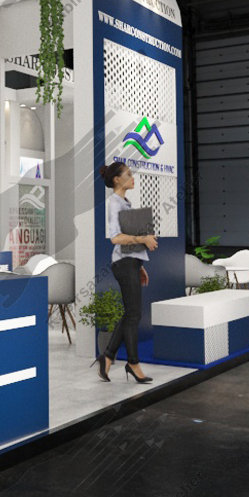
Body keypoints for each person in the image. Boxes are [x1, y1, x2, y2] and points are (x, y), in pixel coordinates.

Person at [96, 163, 155, 384]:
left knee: (131, 314)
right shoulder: (114, 204)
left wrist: (140, 265)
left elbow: (127, 241)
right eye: (128, 174)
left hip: (130, 263)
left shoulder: (124, 203)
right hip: (123, 264)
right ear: (116, 180)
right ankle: (133, 363)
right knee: (133, 315)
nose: (132, 177)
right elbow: (115, 238)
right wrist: (144, 239)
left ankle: (108, 356)